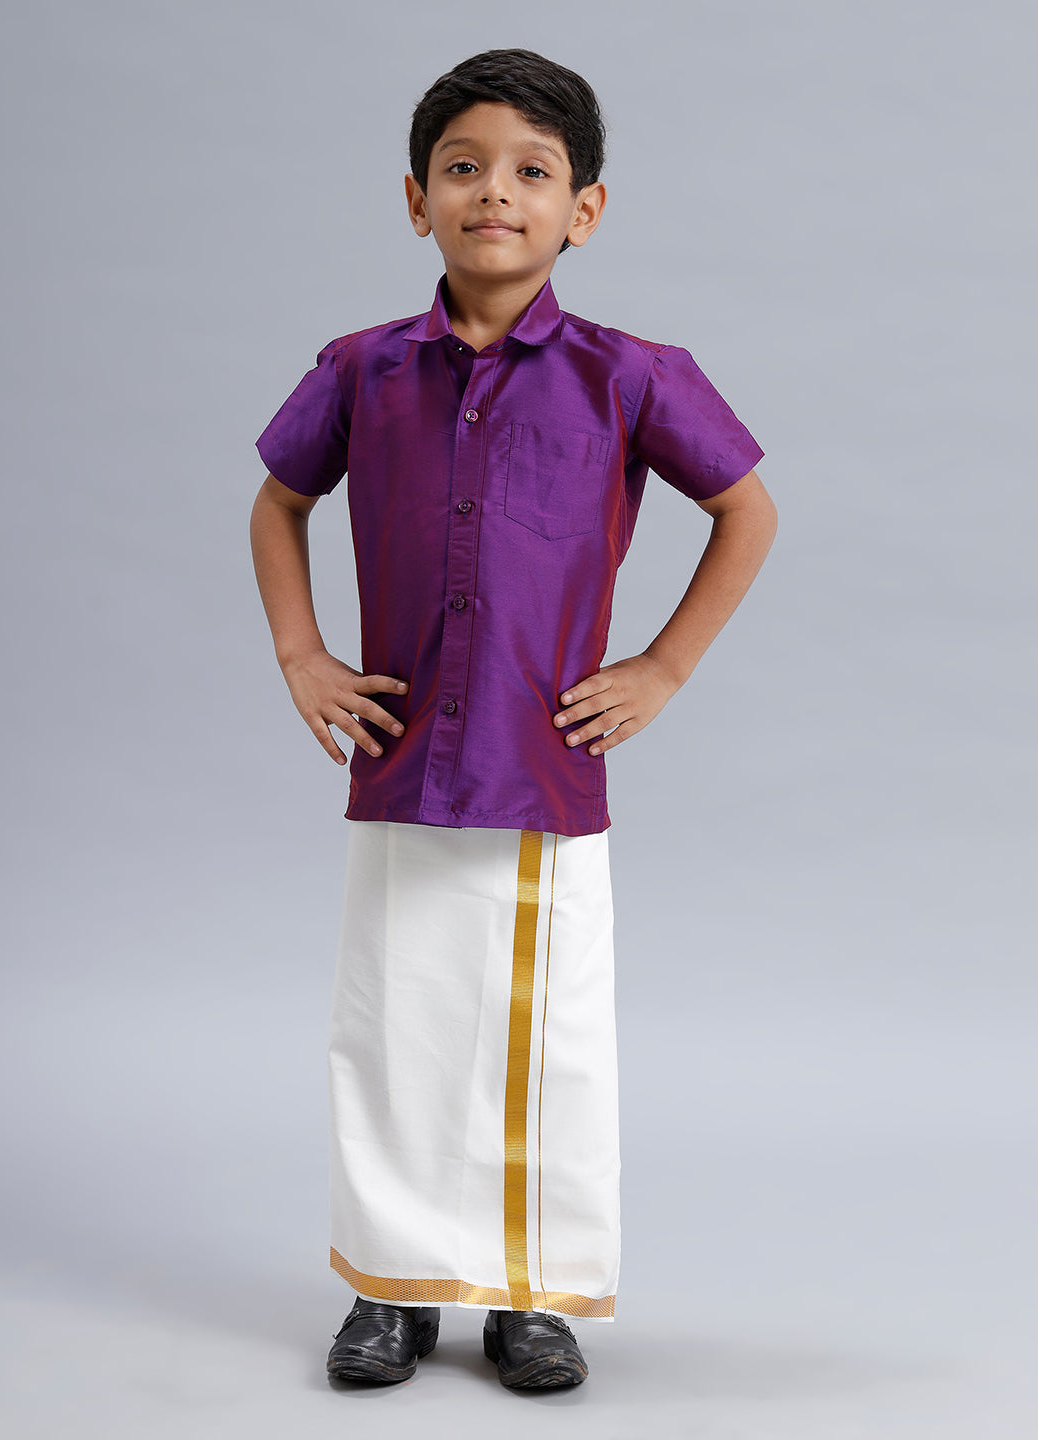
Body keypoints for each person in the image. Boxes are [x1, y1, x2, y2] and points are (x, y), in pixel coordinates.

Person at [250, 48, 777, 1391]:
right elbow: (279, 500)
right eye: (464, 166)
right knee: (390, 1030)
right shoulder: (363, 370)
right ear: (415, 197)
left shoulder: (630, 376)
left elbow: (746, 510)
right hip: (400, 760)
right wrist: (302, 652)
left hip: (543, 766)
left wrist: (662, 668)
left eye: (532, 171)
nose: (496, 192)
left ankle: (530, 1295)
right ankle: (390, 1286)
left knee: (549, 1041)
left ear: (582, 210)